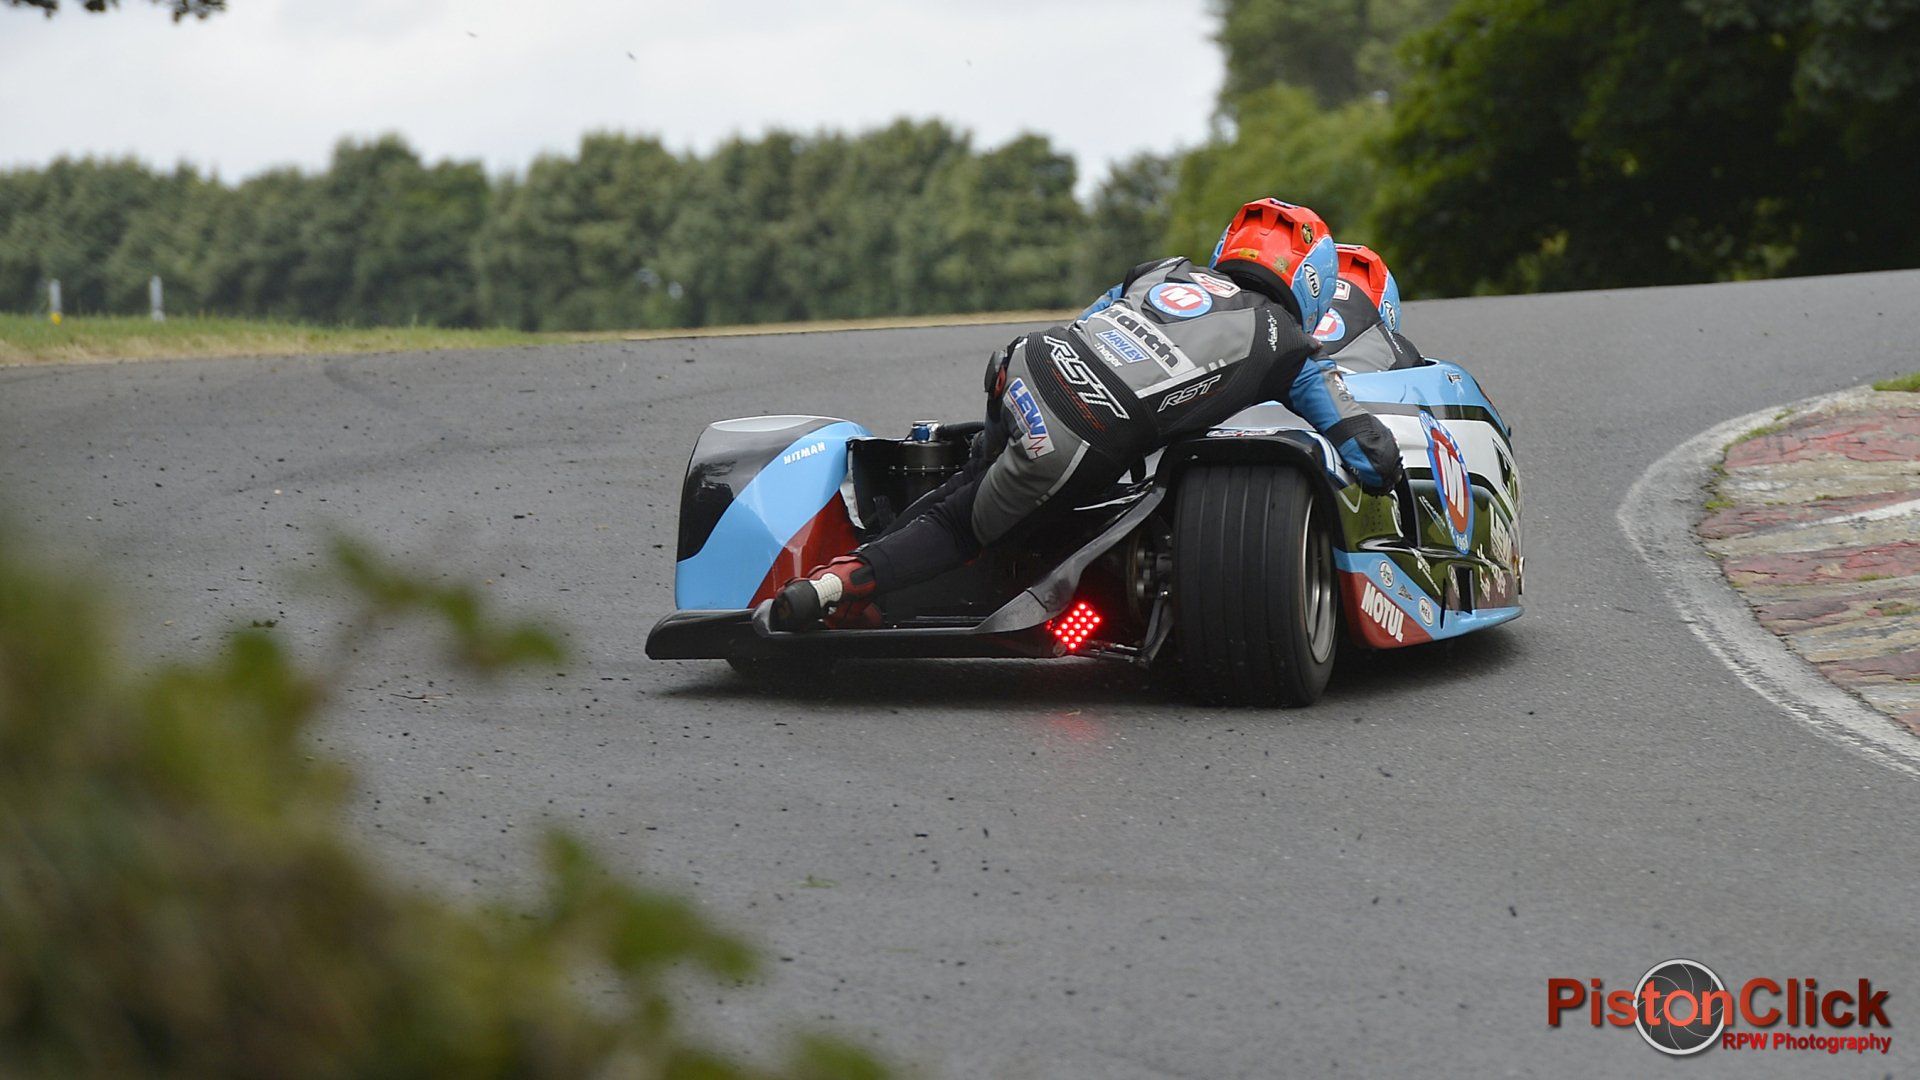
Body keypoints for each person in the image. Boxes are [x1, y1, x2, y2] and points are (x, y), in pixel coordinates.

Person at [770, 198, 1407, 631]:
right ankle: (854, 588)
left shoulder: (1161, 272)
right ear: (1314, 284)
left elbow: (1092, 325)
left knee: (974, 486)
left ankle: (870, 560)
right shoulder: (1291, 349)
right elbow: (1364, 452)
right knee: (969, 526)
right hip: (1078, 431)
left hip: (1025, 364)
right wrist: (1392, 481)